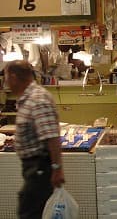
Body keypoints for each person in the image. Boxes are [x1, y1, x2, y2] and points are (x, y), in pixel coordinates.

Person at [4, 60, 65, 219]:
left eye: (6, 77)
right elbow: (37, 130)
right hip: (33, 168)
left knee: (30, 212)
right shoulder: (27, 99)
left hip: (40, 167)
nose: (6, 82)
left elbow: (52, 137)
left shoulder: (37, 99)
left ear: (14, 76)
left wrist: (57, 169)